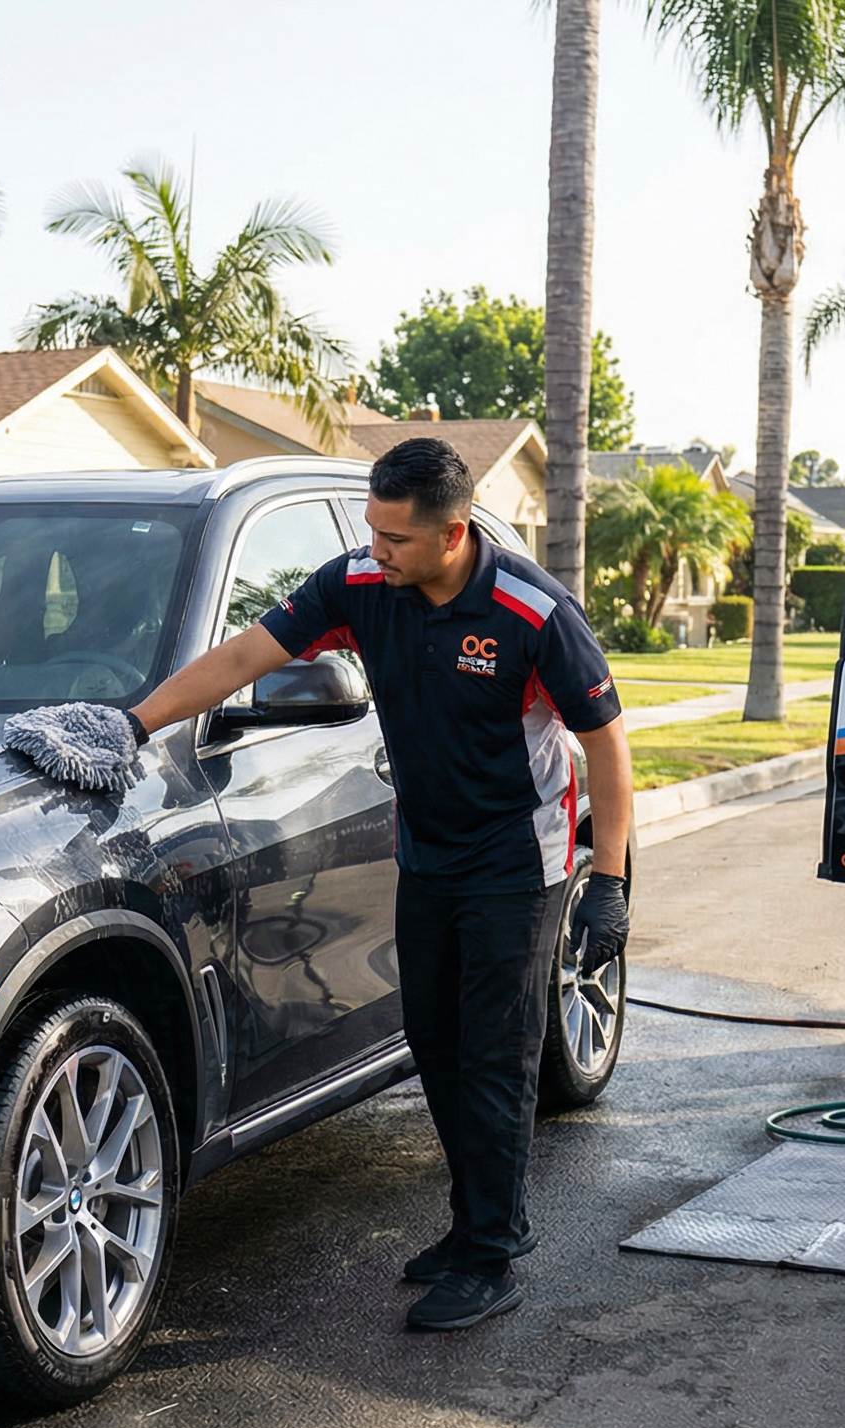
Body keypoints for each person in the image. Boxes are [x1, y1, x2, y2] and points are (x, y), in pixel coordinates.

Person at [123, 437, 632, 1331]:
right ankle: (473, 1223)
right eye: (372, 528)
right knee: (434, 1045)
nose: (375, 547)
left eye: (395, 537)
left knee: (495, 1055)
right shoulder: (360, 583)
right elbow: (246, 657)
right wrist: (132, 724)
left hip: (518, 863)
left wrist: (609, 883)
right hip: (427, 854)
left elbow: (607, 745)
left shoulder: (530, 610)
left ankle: (491, 1249)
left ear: (453, 535)